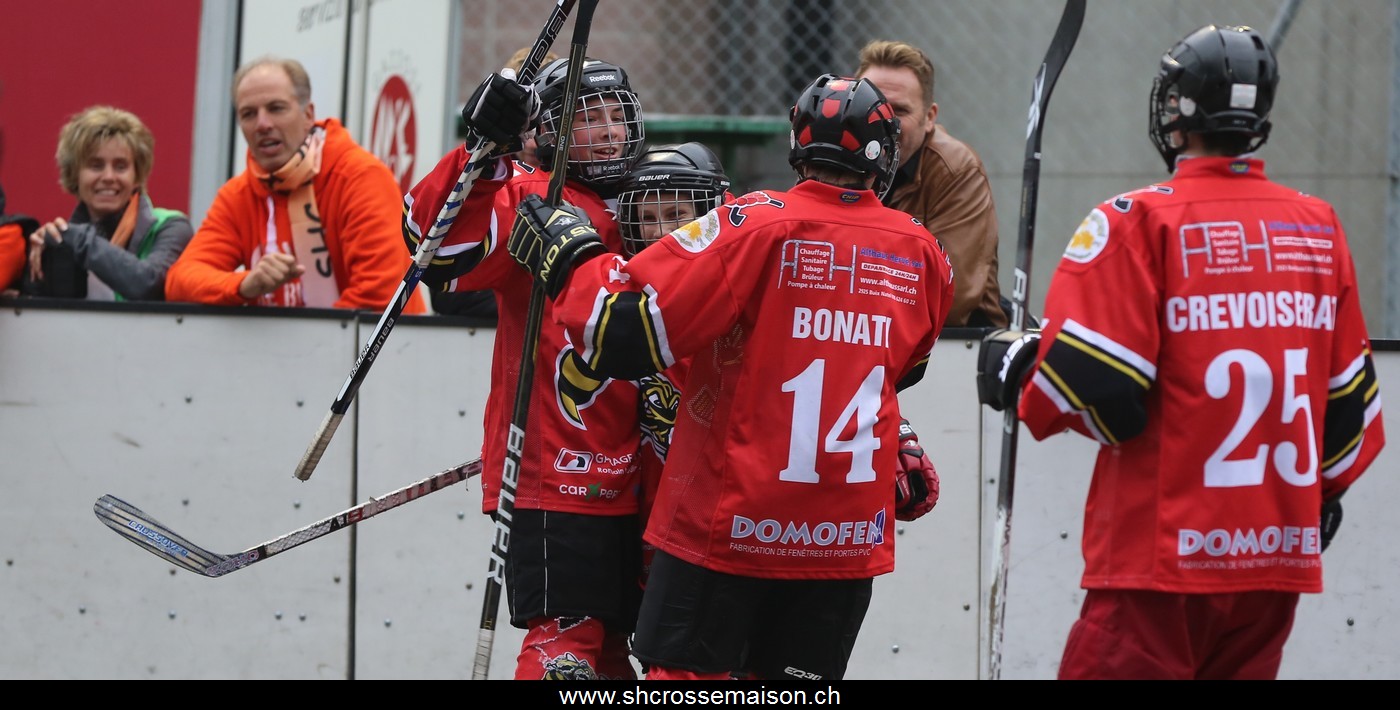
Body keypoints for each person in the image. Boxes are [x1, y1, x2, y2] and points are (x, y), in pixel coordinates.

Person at [506, 73, 952, 680]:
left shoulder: (754, 223)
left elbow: (621, 334)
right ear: (886, 157)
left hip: (729, 529)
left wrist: (574, 259)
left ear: (797, 146)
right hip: (844, 539)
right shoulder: (925, 253)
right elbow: (901, 370)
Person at [979, 25, 1385, 680]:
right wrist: (1316, 499)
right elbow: (1349, 417)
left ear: (1178, 108)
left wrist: (1019, 370)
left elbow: (1100, 393)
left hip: (1159, 566)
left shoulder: (1137, 221)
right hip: (1272, 568)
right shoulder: (1319, 227)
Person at [403, 55, 648, 679]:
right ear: (547, 131)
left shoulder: (658, 199)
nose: (608, 132)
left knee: (619, 654)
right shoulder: (532, 197)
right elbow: (435, 247)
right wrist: (480, 152)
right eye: (587, 118)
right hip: (557, 472)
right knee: (567, 643)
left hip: (650, 476)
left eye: (616, 116)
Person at [165, 56, 425, 313]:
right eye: (248, 114)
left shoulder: (361, 178)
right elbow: (180, 281)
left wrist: (303, 339)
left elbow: (378, 298)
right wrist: (244, 285)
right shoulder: (239, 194)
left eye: (276, 108)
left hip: (383, 341)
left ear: (308, 115)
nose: (262, 124)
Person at [855, 39, 1007, 328]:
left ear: (929, 118)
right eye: (874, 108)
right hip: (857, 330)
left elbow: (948, 297)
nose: (885, 123)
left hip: (954, 342)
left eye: (899, 111)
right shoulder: (837, 157)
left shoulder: (956, 169)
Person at [429, 45, 559, 322]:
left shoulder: (583, 183)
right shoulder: (485, 179)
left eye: (545, 123)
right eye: (527, 123)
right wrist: (520, 292)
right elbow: (446, 293)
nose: (533, 142)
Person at [19, 106, 192, 301]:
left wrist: (77, 239)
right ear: (75, 175)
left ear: (137, 176)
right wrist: (37, 269)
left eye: (121, 167)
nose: (109, 177)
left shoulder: (171, 227)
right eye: (96, 166)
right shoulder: (64, 240)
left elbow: (148, 284)